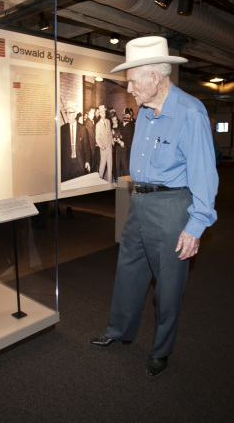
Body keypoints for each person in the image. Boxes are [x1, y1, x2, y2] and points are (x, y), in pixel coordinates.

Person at [89, 36, 218, 378]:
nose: (129, 88)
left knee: (168, 286)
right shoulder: (146, 112)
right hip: (139, 202)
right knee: (129, 271)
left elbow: (205, 174)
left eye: (133, 80)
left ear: (155, 77)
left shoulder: (190, 112)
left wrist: (195, 226)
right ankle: (119, 331)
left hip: (173, 207)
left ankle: (161, 349)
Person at [60, 101, 91, 182]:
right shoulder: (62, 129)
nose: (67, 115)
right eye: (66, 113)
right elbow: (60, 149)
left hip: (79, 163)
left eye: (70, 113)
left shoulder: (82, 129)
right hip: (66, 165)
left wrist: (87, 161)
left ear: (75, 114)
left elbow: (87, 147)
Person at [95, 104, 113, 182]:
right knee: (102, 167)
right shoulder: (98, 125)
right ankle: (99, 182)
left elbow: (110, 134)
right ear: (99, 114)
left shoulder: (108, 122)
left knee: (110, 168)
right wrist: (101, 146)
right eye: (102, 113)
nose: (104, 114)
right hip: (103, 149)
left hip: (109, 148)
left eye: (104, 113)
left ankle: (109, 184)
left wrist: (112, 141)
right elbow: (97, 138)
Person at [84, 106, 97, 172]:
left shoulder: (89, 121)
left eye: (93, 113)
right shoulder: (89, 123)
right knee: (91, 167)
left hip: (90, 147)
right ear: (88, 113)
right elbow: (92, 137)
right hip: (91, 148)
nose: (93, 114)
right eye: (92, 113)